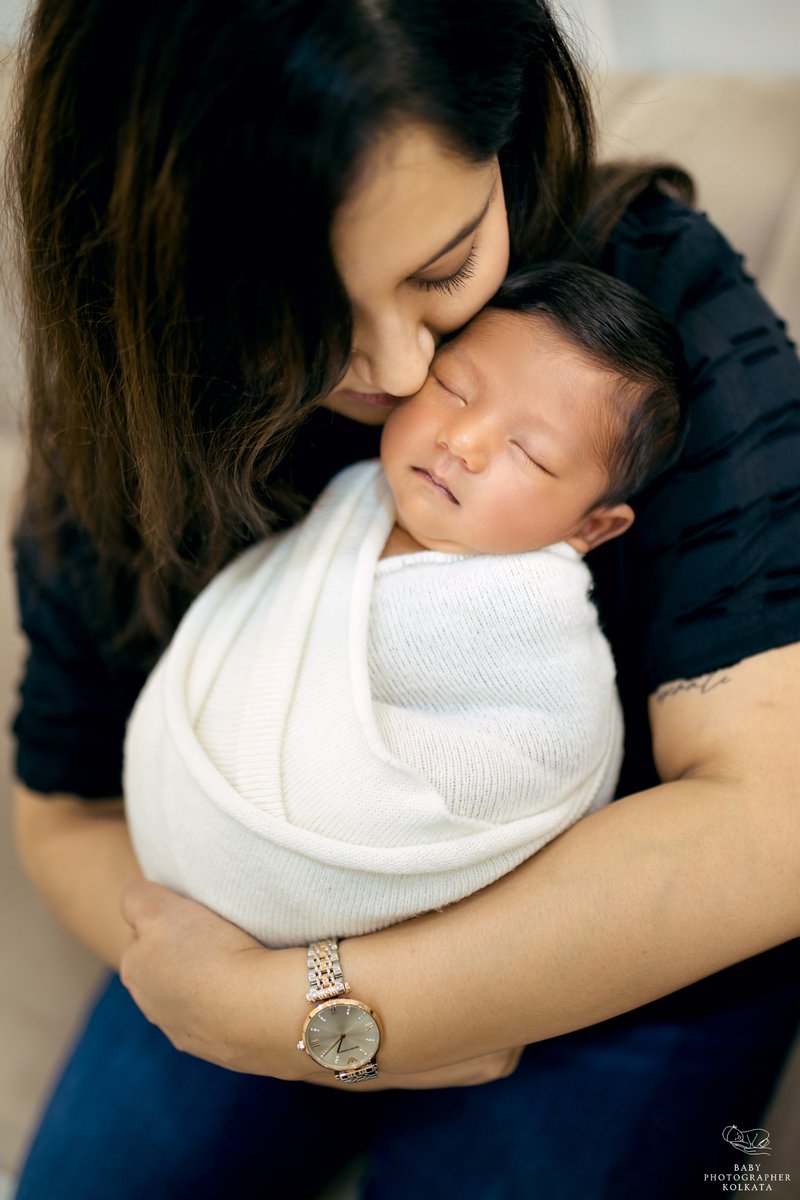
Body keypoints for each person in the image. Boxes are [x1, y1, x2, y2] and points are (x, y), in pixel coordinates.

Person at [8, 1, 799, 1197]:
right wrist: (234, 989)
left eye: (442, 272)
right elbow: (64, 803)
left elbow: (770, 814)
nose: (398, 374)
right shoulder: (131, 416)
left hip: (623, 957)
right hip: (245, 922)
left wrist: (345, 1008)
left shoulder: (642, 304)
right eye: (302, 323)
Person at [124, 262, 686, 952]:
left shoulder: (527, 618)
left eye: (530, 455)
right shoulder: (356, 494)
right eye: (452, 388)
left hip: (344, 893)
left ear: (590, 528)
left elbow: (542, 754)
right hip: (171, 868)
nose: (464, 440)